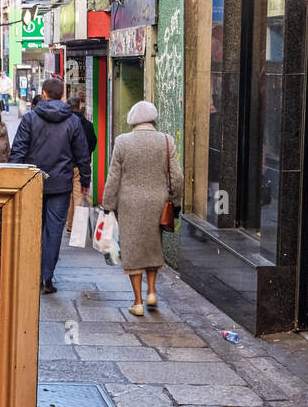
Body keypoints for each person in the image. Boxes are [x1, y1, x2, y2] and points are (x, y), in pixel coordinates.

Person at [101, 100, 184, 316]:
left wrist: (107, 204)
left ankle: (137, 302)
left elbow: (113, 178)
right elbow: (177, 177)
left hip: (129, 204)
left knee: (133, 249)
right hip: (158, 202)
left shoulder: (122, 142)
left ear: (133, 121)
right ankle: (152, 292)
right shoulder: (166, 141)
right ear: (153, 119)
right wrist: (175, 201)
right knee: (153, 245)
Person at [10, 76, 91, 293]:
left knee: (32, 229)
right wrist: (85, 179)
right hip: (61, 184)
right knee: (54, 231)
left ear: (43, 94)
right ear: (62, 95)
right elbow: (82, 153)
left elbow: (18, 150)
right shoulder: (73, 121)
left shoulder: (29, 119)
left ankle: (32, 273)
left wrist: (12, 178)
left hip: (31, 182)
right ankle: (47, 277)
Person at [67, 94, 98, 231]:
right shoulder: (88, 125)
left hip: (67, 165)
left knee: (68, 198)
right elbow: (93, 143)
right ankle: (77, 229)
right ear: (80, 107)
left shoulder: (65, 124)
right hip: (81, 166)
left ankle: (69, 225)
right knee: (79, 198)